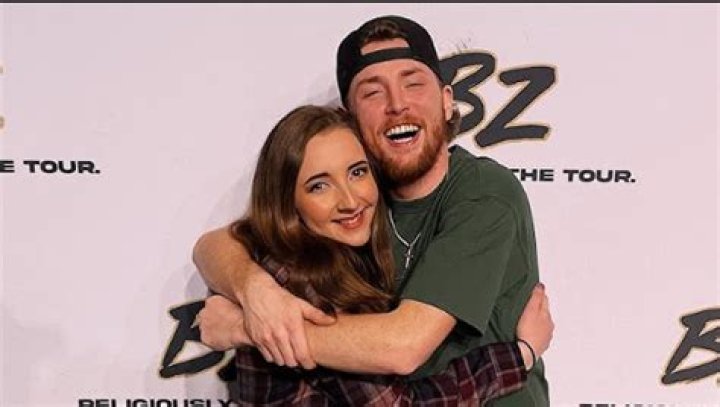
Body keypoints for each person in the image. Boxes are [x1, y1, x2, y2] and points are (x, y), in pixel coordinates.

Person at [195, 15, 549, 406]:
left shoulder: (482, 192)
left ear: (447, 100)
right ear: (349, 118)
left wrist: (247, 328)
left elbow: (402, 347)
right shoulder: (357, 205)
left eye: (413, 83)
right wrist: (252, 287)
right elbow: (215, 244)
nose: (397, 104)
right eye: (373, 93)